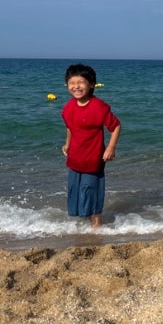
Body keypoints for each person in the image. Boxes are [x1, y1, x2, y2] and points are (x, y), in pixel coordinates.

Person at [61, 63, 121, 228]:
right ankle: (85, 225)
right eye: (72, 83)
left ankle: (97, 226)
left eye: (81, 82)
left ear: (92, 84)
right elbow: (70, 127)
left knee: (91, 191)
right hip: (75, 157)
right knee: (76, 191)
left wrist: (111, 147)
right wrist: (67, 144)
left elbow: (116, 126)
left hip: (93, 158)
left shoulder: (99, 107)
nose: (76, 86)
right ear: (67, 85)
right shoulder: (68, 107)